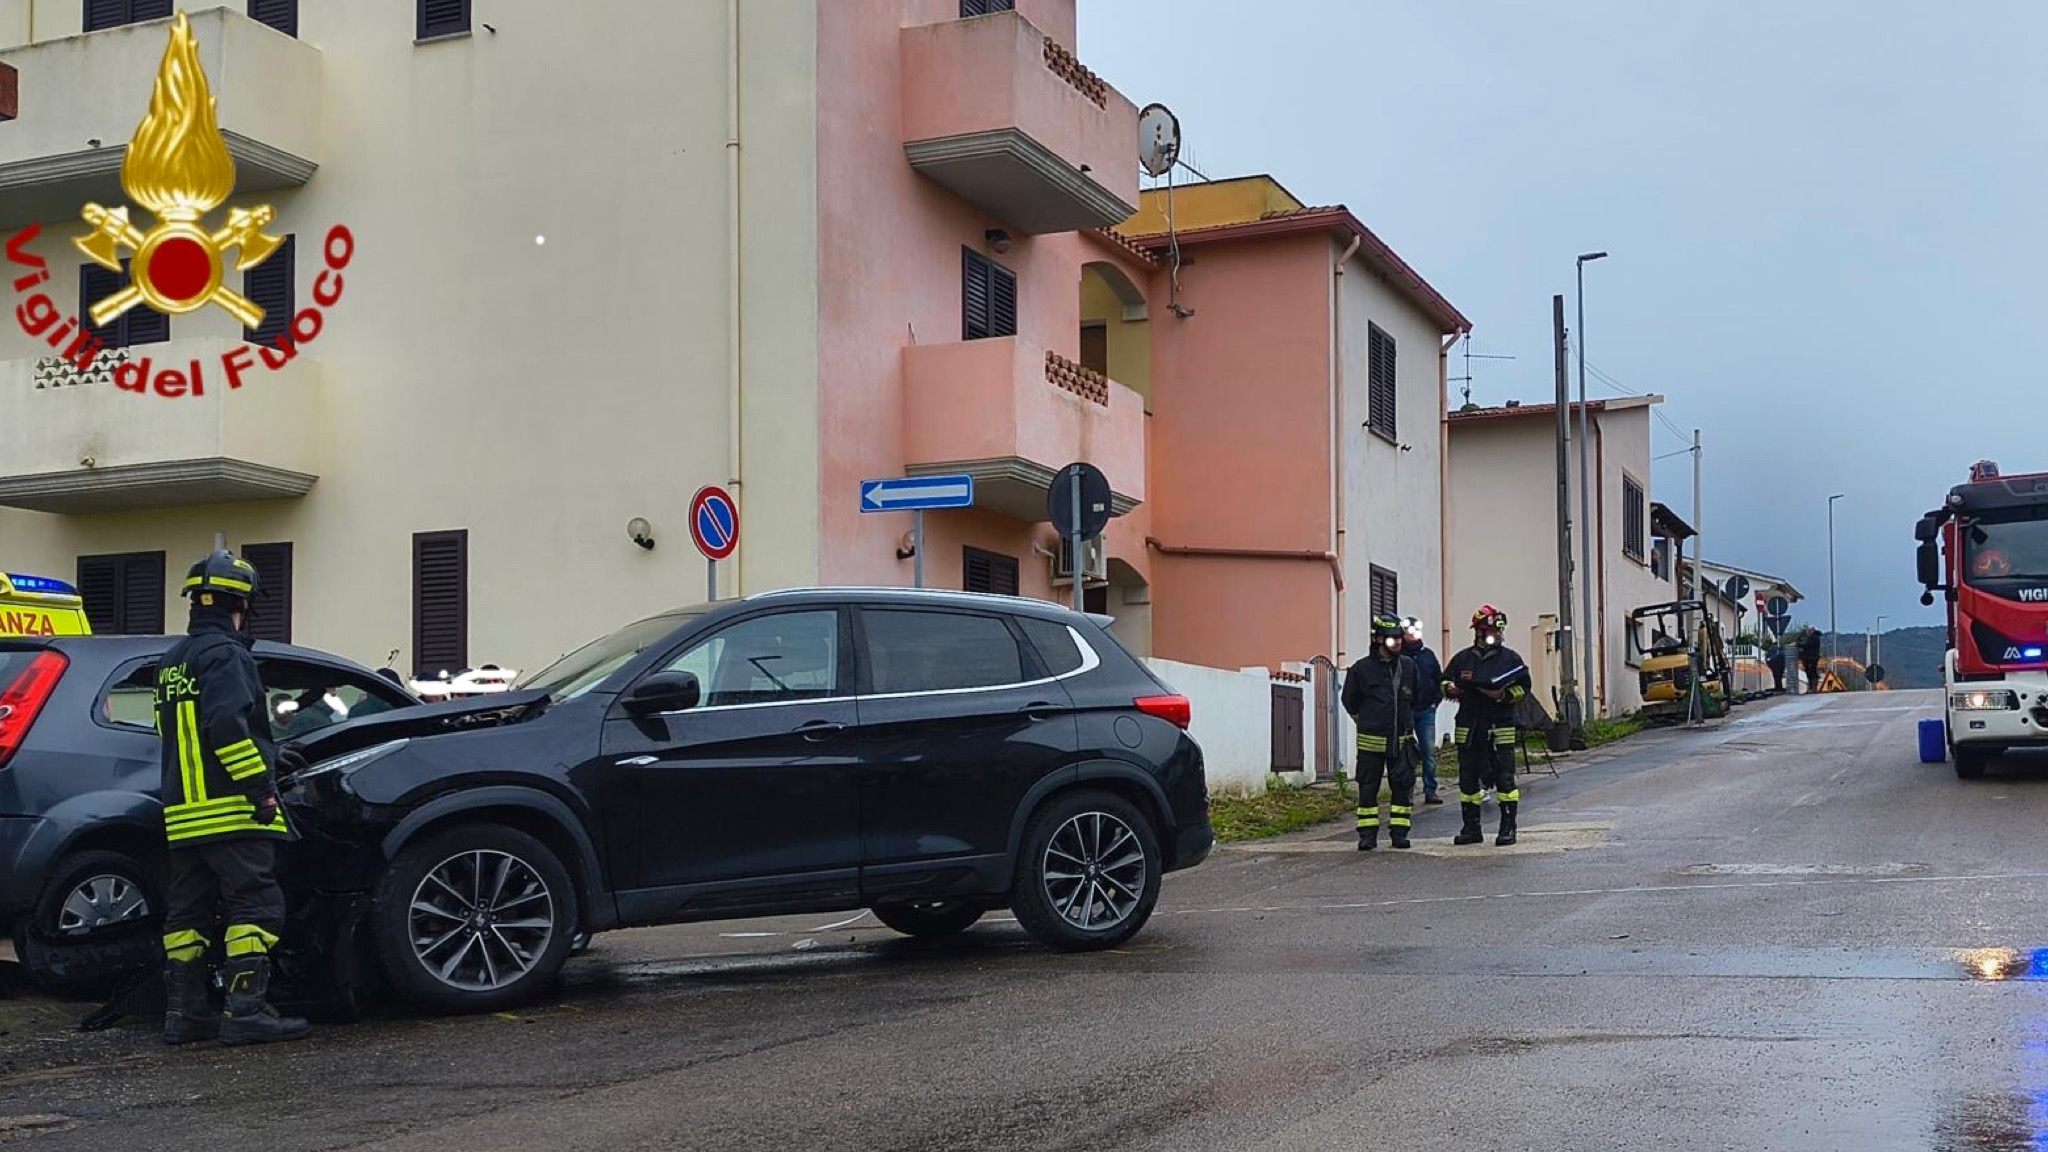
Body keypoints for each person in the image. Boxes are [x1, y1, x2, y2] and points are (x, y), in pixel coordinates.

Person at [157, 550, 309, 1047]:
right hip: (231, 811)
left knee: (187, 916)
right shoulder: (227, 655)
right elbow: (225, 727)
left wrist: (271, 755)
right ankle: (247, 1010)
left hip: (183, 816)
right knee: (256, 905)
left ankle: (185, 1014)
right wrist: (261, 788)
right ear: (240, 604)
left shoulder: (172, 661)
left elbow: (178, 733)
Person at [1442, 605, 1534, 847]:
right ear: (1479, 632)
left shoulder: (1510, 659)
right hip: (1470, 728)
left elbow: (1523, 687)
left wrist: (1504, 696)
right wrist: (1450, 689)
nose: (1497, 635)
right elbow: (1443, 681)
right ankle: (1471, 828)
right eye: (1491, 630)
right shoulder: (1463, 659)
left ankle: (1508, 828)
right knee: (1468, 780)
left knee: (1504, 779)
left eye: (1499, 631)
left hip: (1499, 727)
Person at [1344, 616, 1420, 850]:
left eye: (1399, 638)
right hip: (1372, 743)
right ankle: (1367, 835)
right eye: (1391, 638)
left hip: (1402, 741)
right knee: (1368, 790)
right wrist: (1366, 723)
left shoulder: (1408, 667)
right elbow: (1350, 701)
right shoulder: (1361, 669)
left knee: (1403, 788)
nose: (1396, 643)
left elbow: (1416, 697)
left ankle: (1400, 833)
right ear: (1377, 639)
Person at [1401, 617, 1445, 804]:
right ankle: (1407, 792)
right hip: (1406, 711)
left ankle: (1430, 790)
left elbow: (1439, 679)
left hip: (1426, 710)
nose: (1411, 634)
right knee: (1407, 753)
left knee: (1428, 751)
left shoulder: (1428, 655)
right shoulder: (1398, 657)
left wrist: (1435, 701)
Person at [1797, 626, 1823, 694]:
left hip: (1812, 658)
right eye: (1807, 631)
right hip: (1809, 658)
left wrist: (1798, 644)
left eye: (1809, 631)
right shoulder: (1813, 637)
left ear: (1812, 630)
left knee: (1812, 672)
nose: (1808, 632)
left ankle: (1813, 688)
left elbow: (1806, 645)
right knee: (1810, 673)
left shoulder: (1814, 638)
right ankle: (1811, 688)